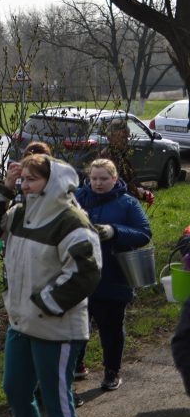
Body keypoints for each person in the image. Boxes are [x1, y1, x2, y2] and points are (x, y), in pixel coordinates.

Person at [0, 154, 103, 417]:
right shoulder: (20, 213)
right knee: (16, 391)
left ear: (54, 182)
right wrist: (5, 188)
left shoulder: (72, 222)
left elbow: (86, 274)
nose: (24, 186)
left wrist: (44, 303)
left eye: (32, 180)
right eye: (22, 179)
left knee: (56, 402)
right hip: (21, 323)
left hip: (56, 327)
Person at [72, 159, 151, 392]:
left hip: (114, 274)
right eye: (94, 178)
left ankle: (111, 371)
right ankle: (77, 364)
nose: (97, 183)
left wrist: (114, 231)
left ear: (114, 179)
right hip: (79, 274)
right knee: (77, 326)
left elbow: (144, 233)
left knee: (111, 328)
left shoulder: (128, 204)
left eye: (104, 179)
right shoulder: (78, 197)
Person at [100, 118, 155, 205]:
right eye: (123, 137)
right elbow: (117, 185)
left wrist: (145, 192)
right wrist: (137, 191)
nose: (126, 141)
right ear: (110, 137)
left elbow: (132, 180)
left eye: (127, 137)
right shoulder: (106, 158)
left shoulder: (122, 156)